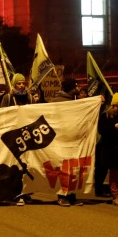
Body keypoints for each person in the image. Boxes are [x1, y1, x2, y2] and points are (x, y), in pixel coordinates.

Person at [49, 77, 83, 206]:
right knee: (63, 169)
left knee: (74, 168)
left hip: (74, 140)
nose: (79, 88)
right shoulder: (57, 102)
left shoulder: (76, 101)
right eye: (76, 86)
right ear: (71, 88)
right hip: (61, 140)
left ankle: (71, 194)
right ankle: (62, 195)